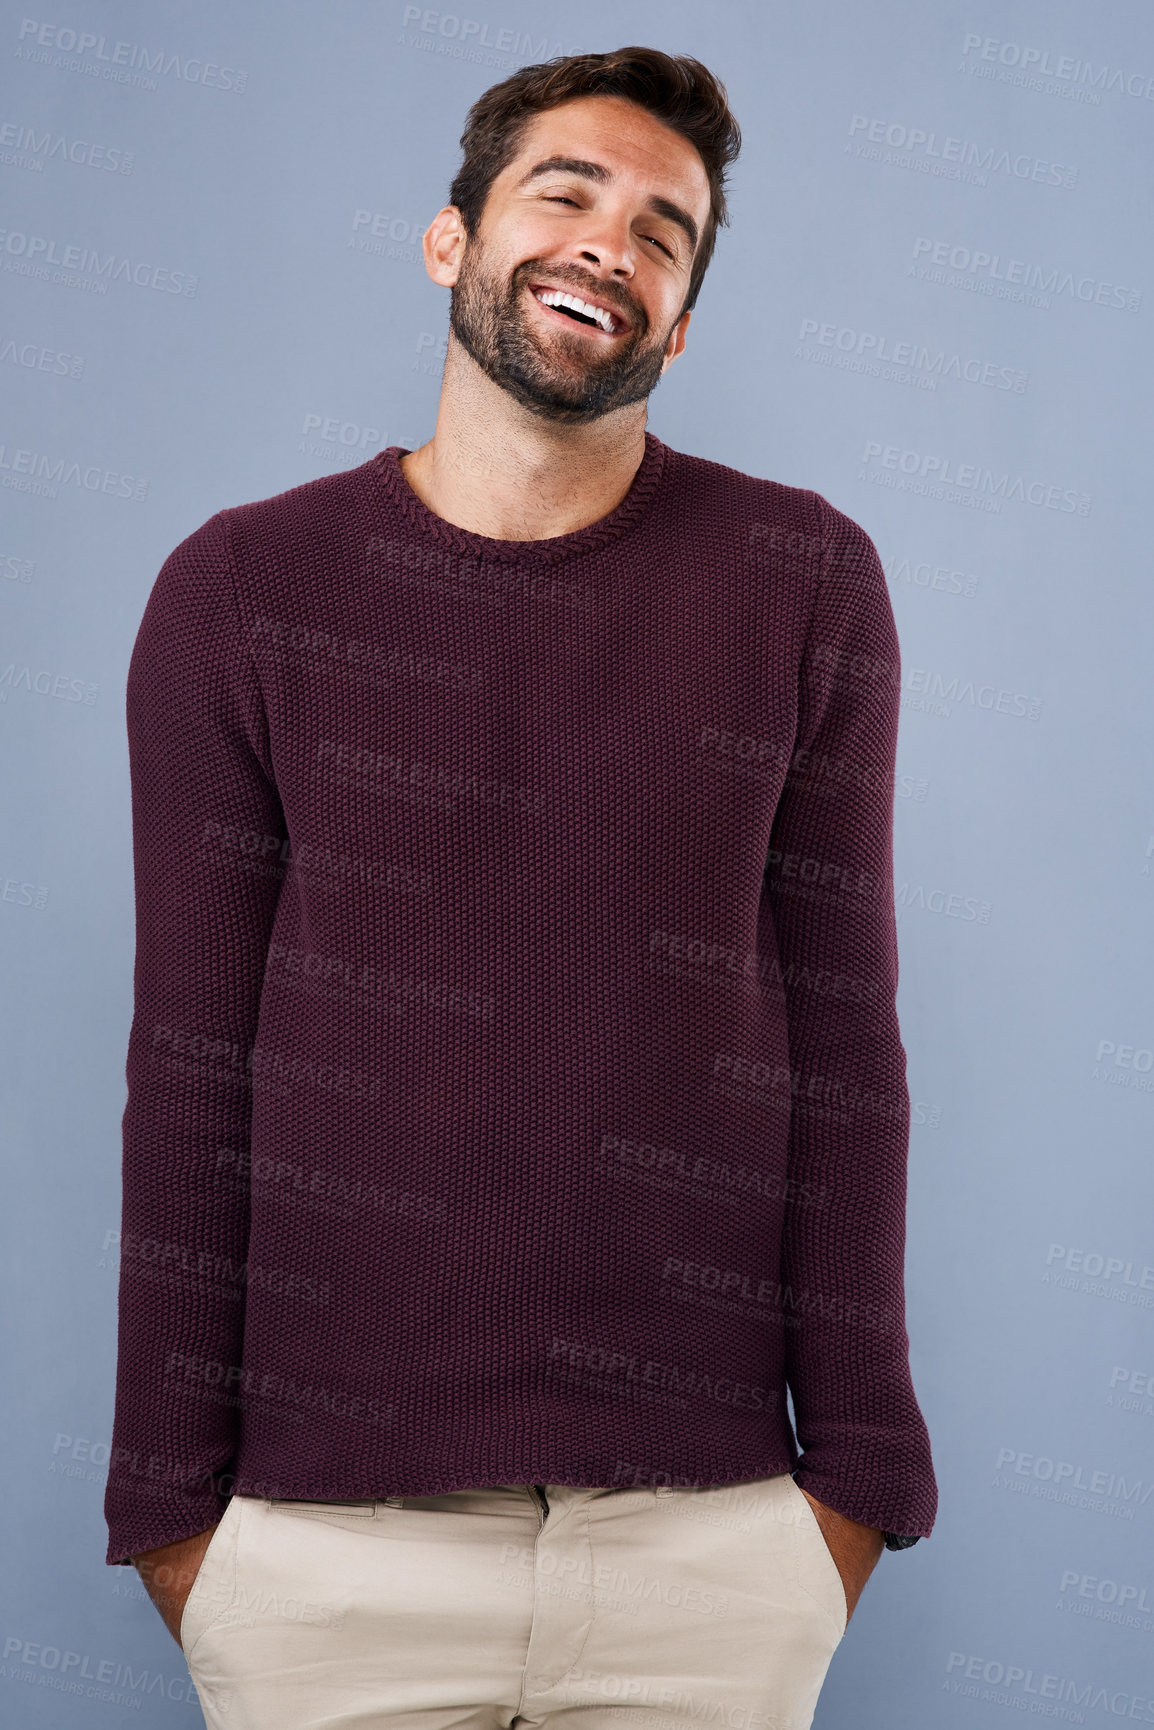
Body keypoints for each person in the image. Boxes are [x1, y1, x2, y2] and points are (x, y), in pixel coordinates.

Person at [106, 44, 937, 1730]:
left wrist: (852, 1481)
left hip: (707, 1547)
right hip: (329, 1551)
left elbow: (848, 1057)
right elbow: (186, 1076)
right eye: (564, 193)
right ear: (449, 240)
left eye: (661, 232)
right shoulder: (241, 594)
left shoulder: (803, 584)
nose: (605, 244)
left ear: (681, 320)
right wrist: (171, 1515)